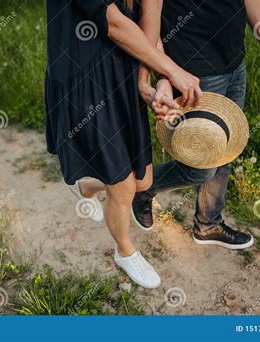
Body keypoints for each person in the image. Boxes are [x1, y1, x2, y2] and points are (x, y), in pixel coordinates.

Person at [45, 0, 202, 288]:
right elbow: (114, 23)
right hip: (84, 78)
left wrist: (149, 79)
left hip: (124, 75)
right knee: (125, 185)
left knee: (143, 183)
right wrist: (173, 70)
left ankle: (85, 186)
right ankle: (125, 250)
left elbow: (149, 20)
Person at [133, 0, 260, 248]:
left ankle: (208, 224)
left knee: (225, 148)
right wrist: (162, 74)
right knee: (198, 168)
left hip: (235, 63)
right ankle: (143, 187)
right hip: (192, 72)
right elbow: (151, 16)